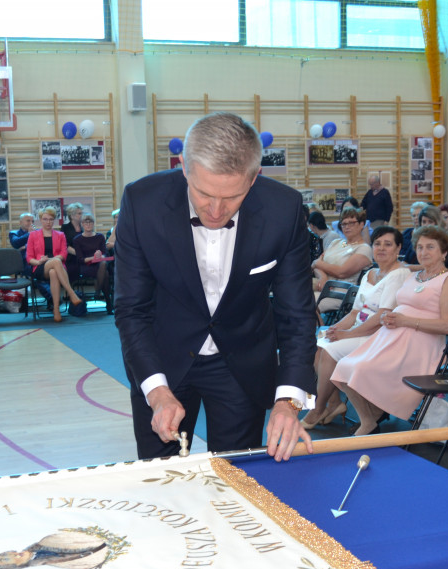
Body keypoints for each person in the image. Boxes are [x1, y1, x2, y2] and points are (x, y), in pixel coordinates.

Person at [114, 112, 316, 461]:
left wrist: (288, 402)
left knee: (239, 478)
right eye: (204, 193)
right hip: (163, 359)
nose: (216, 210)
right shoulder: (141, 203)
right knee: (162, 478)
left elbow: (296, 315)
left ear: (254, 178)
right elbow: (132, 310)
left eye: (232, 197)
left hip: (242, 363)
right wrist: (157, 391)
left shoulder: (284, 209)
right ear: (183, 168)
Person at [331, 226, 448, 436]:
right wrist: (389, 317)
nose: (424, 252)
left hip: (420, 344)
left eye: (430, 247)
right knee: (344, 367)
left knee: (360, 369)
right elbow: (401, 281)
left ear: (444, 252)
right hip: (390, 336)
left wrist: (405, 321)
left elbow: (447, 325)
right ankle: (370, 418)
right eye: (420, 247)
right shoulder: (415, 275)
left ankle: (372, 416)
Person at [301, 226, 411, 430]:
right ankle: (334, 403)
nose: (381, 248)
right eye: (377, 243)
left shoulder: (399, 274)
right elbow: (354, 313)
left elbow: (381, 316)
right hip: (359, 329)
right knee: (319, 343)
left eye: (388, 244)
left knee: (328, 349)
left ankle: (319, 407)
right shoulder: (370, 273)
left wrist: (347, 334)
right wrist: (335, 329)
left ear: (398, 249)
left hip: (379, 335)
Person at [26, 206, 84, 323]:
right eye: (45, 219)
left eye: (51, 219)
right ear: (41, 220)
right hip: (40, 267)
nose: (48, 222)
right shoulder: (33, 235)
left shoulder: (60, 235)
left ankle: (56, 309)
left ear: (54, 220)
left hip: (57, 267)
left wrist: (53, 259)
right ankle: (71, 293)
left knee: (54, 271)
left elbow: (63, 254)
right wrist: (40, 261)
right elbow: (29, 258)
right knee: (56, 263)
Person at [312, 205, 373, 309]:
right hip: (322, 287)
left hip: (340, 294)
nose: (347, 227)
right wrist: (323, 277)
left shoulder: (364, 248)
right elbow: (315, 264)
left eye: (351, 223)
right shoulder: (336, 242)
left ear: (361, 224)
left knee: (303, 303)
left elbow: (341, 272)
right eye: (344, 224)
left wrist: (319, 264)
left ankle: (319, 325)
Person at [73, 212, 112, 313]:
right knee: (106, 274)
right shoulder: (77, 239)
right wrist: (93, 257)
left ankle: (98, 291)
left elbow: (105, 254)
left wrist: (100, 256)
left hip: (99, 264)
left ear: (93, 224)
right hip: (86, 266)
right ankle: (107, 302)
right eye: (86, 222)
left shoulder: (100, 237)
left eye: (90, 222)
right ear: (82, 224)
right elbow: (80, 259)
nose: (88, 224)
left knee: (103, 265)